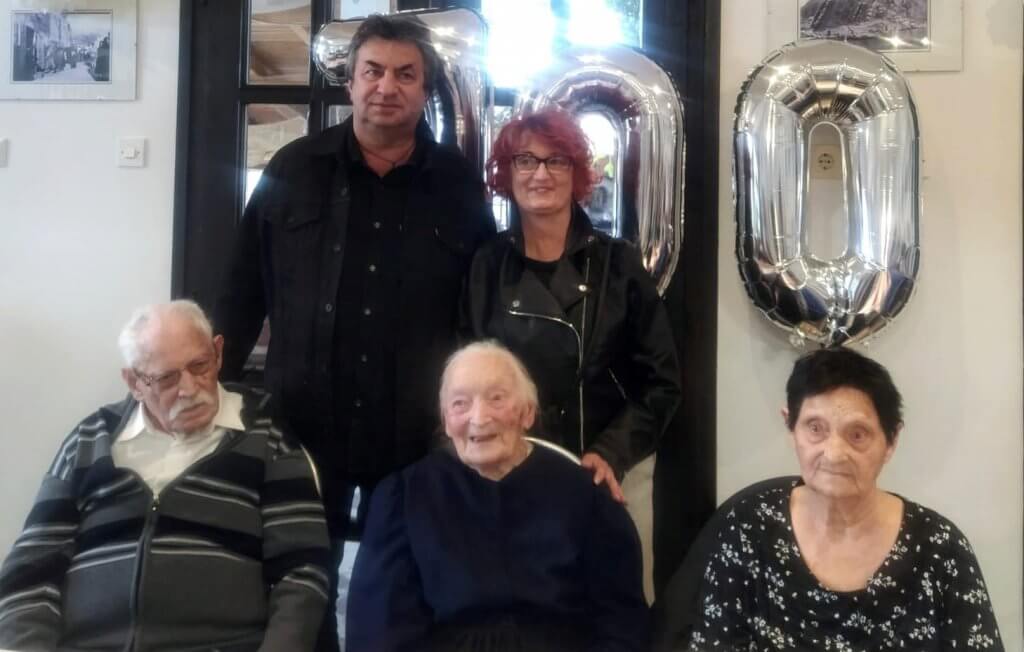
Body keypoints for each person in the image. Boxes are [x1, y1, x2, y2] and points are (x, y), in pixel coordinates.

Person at [214, 13, 495, 649]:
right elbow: (241, 288)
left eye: (405, 75)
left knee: (405, 587)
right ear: (351, 82)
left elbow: (480, 306)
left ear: (425, 90)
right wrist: (214, 393)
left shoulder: (456, 183)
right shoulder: (294, 168)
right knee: (299, 583)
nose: (386, 86)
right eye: (373, 71)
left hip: (414, 431)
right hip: (305, 423)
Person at [0, 300, 330, 651]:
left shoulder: (268, 439)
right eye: (167, 378)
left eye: (199, 365)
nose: (189, 389)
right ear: (134, 382)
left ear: (218, 353)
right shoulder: (90, 440)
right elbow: (30, 567)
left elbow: (302, 573)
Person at [685, 347, 1003, 651]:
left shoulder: (940, 548)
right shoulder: (749, 529)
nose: (834, 454)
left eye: (857, 434)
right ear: (790, 427)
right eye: (815, 429)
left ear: (891, 441)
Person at [346, 341, 650, 651]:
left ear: (527, 413)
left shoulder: (585, 494)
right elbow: (379, 629)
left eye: (496, 398)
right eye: (460, 403)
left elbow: (621, 620)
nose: (479, 418)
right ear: (446, 421)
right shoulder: (404, 497)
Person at [461, 108, 681, 502]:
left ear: (576, 172)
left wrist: (611, 452)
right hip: (506, 470)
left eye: (556, 161)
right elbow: (466, 377)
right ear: (508, 173)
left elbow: (661, 383)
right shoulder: (486, 266)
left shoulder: (619, 264)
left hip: (606, 474)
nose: (540, 173)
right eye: (526, 160)